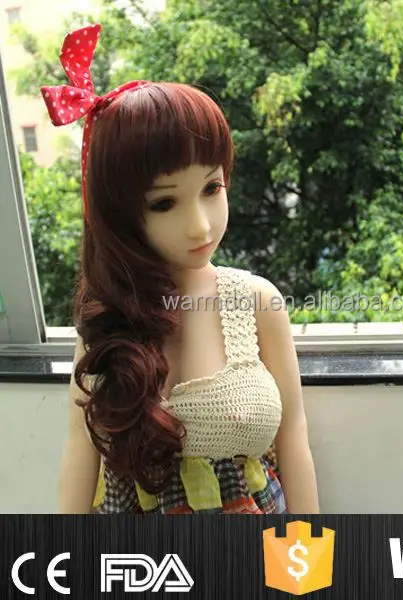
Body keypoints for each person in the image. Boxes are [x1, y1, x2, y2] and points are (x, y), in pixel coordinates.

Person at [43, 23, 319, 514]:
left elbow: (294, 435)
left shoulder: (257, 303)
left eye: (212, 189)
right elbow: (79, 460)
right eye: (164, 203)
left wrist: (311, 553)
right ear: (121, 213)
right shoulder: (106, 323)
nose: (200, 226)